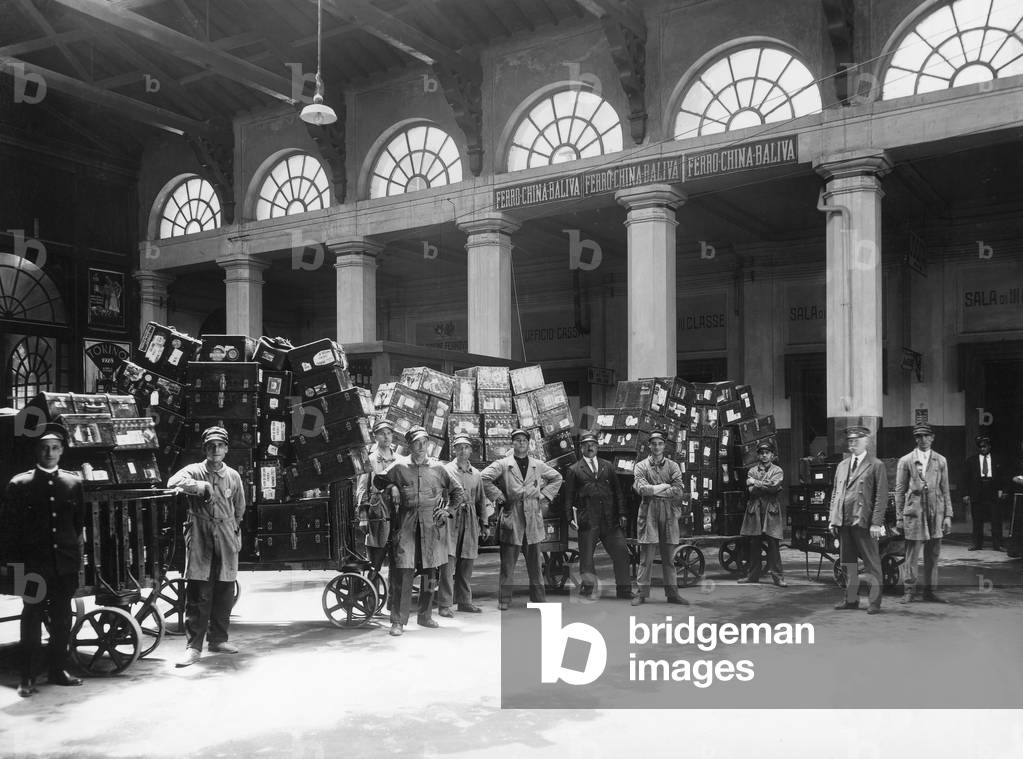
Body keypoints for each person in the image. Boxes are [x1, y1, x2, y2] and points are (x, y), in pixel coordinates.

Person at [2, 423, 84, 697]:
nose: (49, 452)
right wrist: (15, 568)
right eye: (44, 448)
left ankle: (58, 670)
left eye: (55, 448)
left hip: (64, 564)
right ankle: (27, 676)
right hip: (33, 566)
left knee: (62, 619)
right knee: (32, 617)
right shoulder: (20, 484)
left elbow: (77, 525)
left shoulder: (73, 483)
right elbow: (9, 531)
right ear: (36, 450)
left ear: (62, 451)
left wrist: (72, 559)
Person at [167, 426, 247, 667]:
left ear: (226, 449)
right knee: (199, 591)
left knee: (225, 589)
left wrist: (231, 528)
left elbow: (240, 507)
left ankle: (219, 640)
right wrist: (200, 487)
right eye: (211, 446)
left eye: (220, 445)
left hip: (226, 534)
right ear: (204, 449)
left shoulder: (233, 476)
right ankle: (193, 647)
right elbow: (172, 482)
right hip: (200, 534)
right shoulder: (194, 471)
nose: (215, 450)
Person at [374, 426, 465, 636]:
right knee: (403, 573)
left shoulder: (438, 468)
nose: (421, 446)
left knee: (430, 574)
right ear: (410, 445)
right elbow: (378, 481)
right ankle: (398, 621)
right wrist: (392, 487)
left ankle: (425, 616)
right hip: (406, 525)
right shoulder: (399, 466)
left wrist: (448, 511)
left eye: (424, 442)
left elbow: (458, 492)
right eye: (417, 442)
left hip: (431, 527)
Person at [481, 428, 563, 611]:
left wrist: (544, 495)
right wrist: (499, 496)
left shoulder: (537, 465)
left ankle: (539, 597)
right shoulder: (503, 464)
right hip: (513, 514)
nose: (521, 443)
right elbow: (483, 477)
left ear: (528, 443)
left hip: (533, 516)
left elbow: (557, 477)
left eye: (524, 440)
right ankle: (504, 599)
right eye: (517, 440)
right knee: (508, 563)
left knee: (535, 562)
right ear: (512, 443)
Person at [561, 432, 631, 599]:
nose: (590, 447)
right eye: (586, 445)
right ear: (581, 448)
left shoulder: (608, 466)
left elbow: (618, 491)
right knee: (586, 557)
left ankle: (624, 590)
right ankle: (588, 588)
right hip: (588, 518)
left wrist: (622, 513)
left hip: (609, 518)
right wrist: (570, 518)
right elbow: (568, 497)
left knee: (621, 552)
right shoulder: (574, 470)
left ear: (597, 447)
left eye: (593, 444)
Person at [828, 425, 887, 614]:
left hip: (864, 522)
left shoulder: (876, 465)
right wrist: (832, 519)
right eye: (850, 441)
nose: (852, 444)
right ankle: (851, 599)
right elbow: (835, 493)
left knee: (872, 564)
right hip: (844, 521)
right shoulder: (842, 465)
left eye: (856, 440)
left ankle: (874, 602)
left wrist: (876, 523)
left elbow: (881, 497)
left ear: (866, 441)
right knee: (848, 563)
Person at [894, 423, 952, 604]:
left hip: (936, 512)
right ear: (915, 439)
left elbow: (945, 489)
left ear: (933, 438)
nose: (923, 439)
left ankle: (930, 591)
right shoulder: (906, 461)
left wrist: (948, 515)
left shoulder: (940, 460)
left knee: (933, 554)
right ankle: (909, 591)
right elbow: (899, 490)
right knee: (912, 554)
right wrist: (899, 517)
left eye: (927, 436)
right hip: (915, 512)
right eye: (919, 436)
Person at [437, 435, 492, 617]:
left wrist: (484, 524)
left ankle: (464, 601)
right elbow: (438, 494)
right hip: (450, 519)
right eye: (459, 447)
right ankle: (445, 604)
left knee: (467, 562)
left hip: (470, 520)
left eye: (466, 447)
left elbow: (481, 500)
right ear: (454, 450)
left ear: (470, 450)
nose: (463, 451)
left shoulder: (476, 474)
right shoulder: (445, 470)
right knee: (448, 562)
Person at [631, 430, 688, 606]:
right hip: (648, 512)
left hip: (668, 512)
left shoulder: (673, 466)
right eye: (654, 443)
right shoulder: (641, 466)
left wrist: (655, 490)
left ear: (664, 446)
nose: (657, 447)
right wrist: (664, 486)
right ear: (649, 445)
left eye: (660, 444)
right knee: (646, 557)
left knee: (669, 558)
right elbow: (642, 490)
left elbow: (678, 491)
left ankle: (672, 594)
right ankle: (641, 593)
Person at [737, 440, 787, 587]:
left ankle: (778, 577)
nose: (764, 455)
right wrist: (766, 485)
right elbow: (751, 491)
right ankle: (752, 576)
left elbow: (774, 487)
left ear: (772, 455)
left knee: (773, 544)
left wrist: (756, 482)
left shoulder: (778, 471)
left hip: (770, 509)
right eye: (762, 453)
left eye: (767, 453)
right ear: (758, 455)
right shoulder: (752, 471)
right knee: (754, 545)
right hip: (755, 509)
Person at [355, 420, 400, 572]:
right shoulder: (370, 460)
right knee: (376, 559)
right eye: (382, 434)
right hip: (378, 511)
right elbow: (362, 489)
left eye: (389, 433)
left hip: (397, 510)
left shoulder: (399, 459)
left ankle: (393, 588)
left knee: (398, 557)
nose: (386, 437)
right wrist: (363, 517)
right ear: (375, 437)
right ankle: (371, 585)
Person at [963, 433, 1005, 551]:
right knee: (977, 519)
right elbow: (965, 478)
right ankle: (977, 544)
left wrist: (1002, 490)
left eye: (985, 446)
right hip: (977, 490)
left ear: (989, 446)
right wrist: (965, 494)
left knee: (996, 519)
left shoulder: (997, 459)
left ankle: (998, 544)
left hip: (992, 490)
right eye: (980, 447)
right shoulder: (971, 461)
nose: (983, 449)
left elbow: (1002, 476)